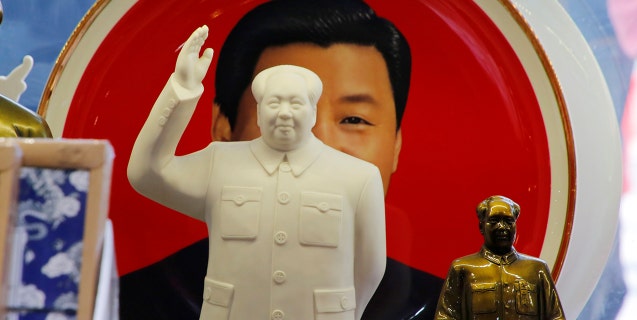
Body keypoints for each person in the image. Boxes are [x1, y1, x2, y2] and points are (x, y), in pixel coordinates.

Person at [120, 0, 444, 319]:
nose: (285, 114)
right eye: (274, 103)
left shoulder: (357, 178)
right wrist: (182, 90)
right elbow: (147, 173)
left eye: (354, 119)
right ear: (231, 123)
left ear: (397, 142)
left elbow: (369, 266)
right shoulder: (219, 163)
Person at [434, 195, 565, 320]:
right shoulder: (462, 269)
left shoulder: (537, 269)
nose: (502, 227)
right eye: (494, 220)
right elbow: (445, 316)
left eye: (508, 221)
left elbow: (555, 316)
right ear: (481, 226)